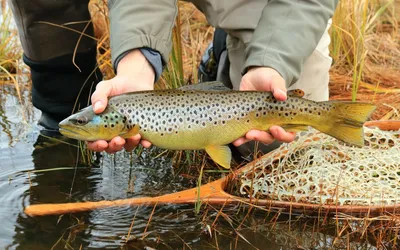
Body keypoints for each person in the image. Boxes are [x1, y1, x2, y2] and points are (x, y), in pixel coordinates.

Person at [9, 0, 337, 157]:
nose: (80, 124)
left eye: (82, 123)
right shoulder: (125, 111)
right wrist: (137, 65)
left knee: (286, 151)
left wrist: (272, 62)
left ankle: (231, 46)